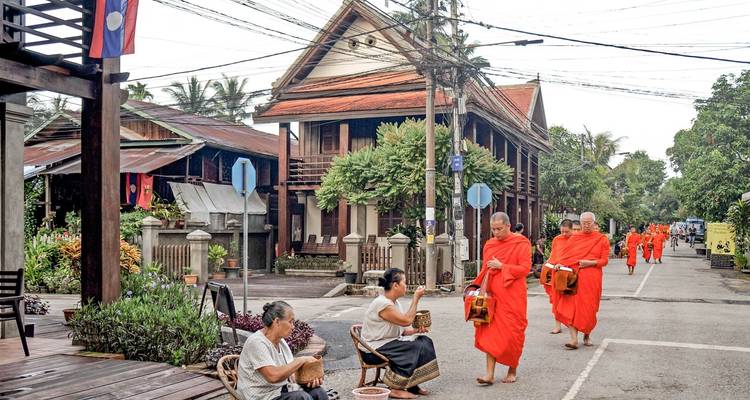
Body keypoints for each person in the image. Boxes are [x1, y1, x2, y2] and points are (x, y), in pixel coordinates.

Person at [360, 268, 438, 399]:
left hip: (388, 343)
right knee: (414, 348)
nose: (406, 286)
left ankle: (412, 384)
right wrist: (416, 299)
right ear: (395, 285)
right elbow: (406, 321)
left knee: (424, 341)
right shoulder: (382, 304)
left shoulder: (394, 303)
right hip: (372, 351)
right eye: (405, 282)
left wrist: (417, 330)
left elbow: (402, 330)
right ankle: (395, 388)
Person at [473, 212, 531, 385]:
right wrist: (476, 289)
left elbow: (525, 269)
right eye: (493, 229)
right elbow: (484, 269)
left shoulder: (521, 242)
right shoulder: (490, 244)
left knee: (513, 333)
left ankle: (512, 369)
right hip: (492, 294)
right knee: (490, 331)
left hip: (513, 294)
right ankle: (489, 374)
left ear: (508, 226)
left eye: (499, 229)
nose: (496, 233)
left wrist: (502, 266)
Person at [237, 301, 327, 400]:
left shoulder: (281, 341)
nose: (293, 326)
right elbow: (273, 376)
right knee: (300, 398)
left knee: (318, 392)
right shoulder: (257, 342)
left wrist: (309, 379)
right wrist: (301, 360)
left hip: (280, 391)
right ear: (277, 321)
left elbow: (291, 375)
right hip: (261, 396)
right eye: (290, 322)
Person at [552, 211, 610, 349]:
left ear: (594, 223)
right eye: (584, 223)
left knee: (588, 308)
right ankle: (573, 339)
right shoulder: (574, 238)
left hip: (592, 278)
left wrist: (590, 263)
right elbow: (565, 256)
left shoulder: (601, 239)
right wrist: (560, 263)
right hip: (574, 278)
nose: (586, 226)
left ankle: (587, 335)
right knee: (571, 307)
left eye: (589, 223)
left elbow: (604, 260)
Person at [545, 219, 573, 335]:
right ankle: (557, 326)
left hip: (568, 273)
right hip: (556, 271)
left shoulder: (575, 240)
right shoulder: (557, 239)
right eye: (562, 231)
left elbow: (575, 256)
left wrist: (565, 264)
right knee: (556, 300)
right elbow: (554, 254)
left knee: (568, 301)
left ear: (572, 229)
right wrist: (549, 264)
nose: (564, 234)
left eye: (566, 232)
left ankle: (571, 323)